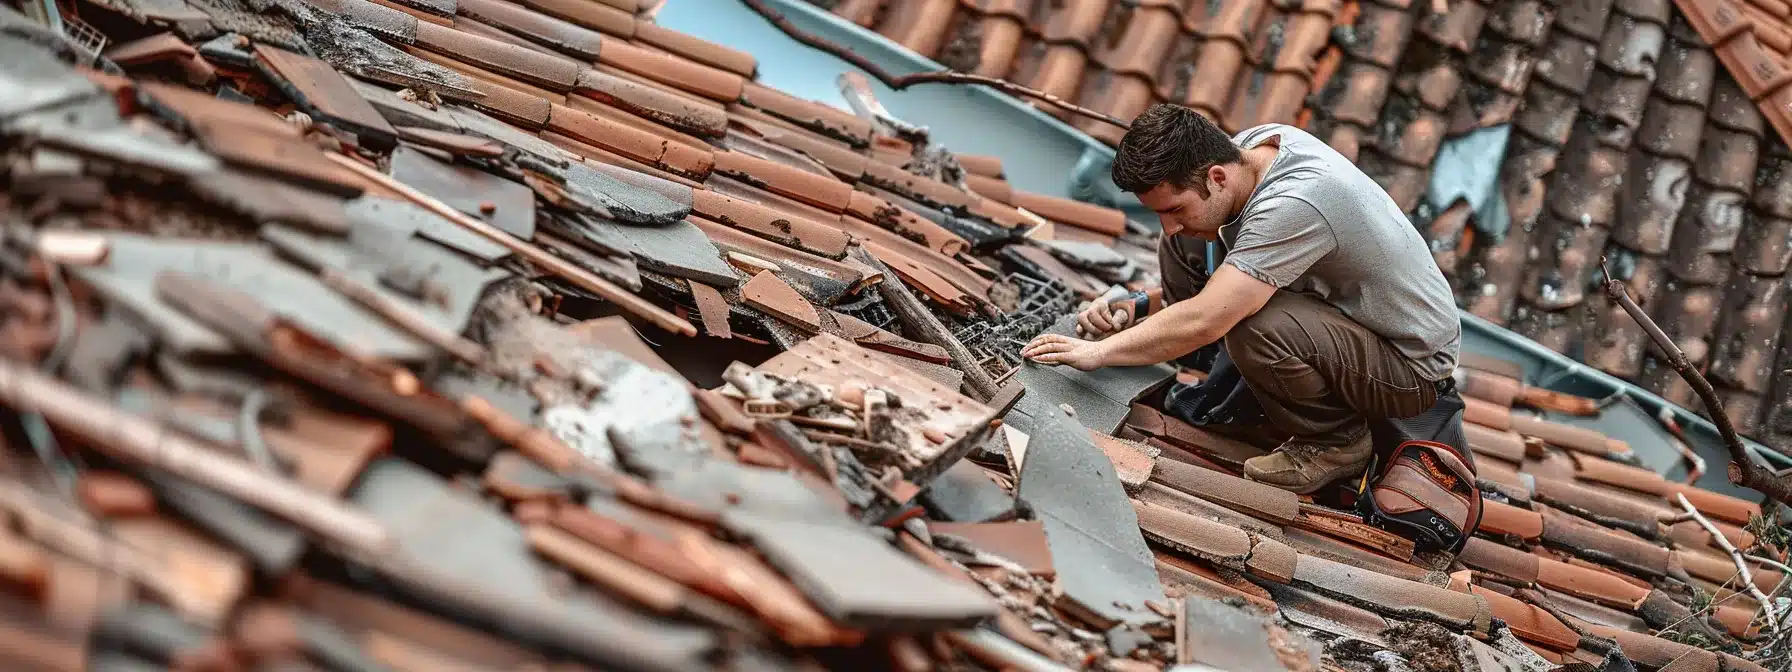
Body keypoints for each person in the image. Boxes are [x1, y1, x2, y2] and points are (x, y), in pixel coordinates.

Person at [1021, 104, 1461, 494]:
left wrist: (1100, 353)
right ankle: (1176, 347)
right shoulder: (1247, 153)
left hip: (1409, 369)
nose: (1167, 223)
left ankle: (1336, 443)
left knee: (1255, 327)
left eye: (1173, 208)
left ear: (1216, 176)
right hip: (1345, 326)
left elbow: (1208, 318)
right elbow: (1209, 287)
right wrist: (1139, 306)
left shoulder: (1295, 204)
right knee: (1187, 241)